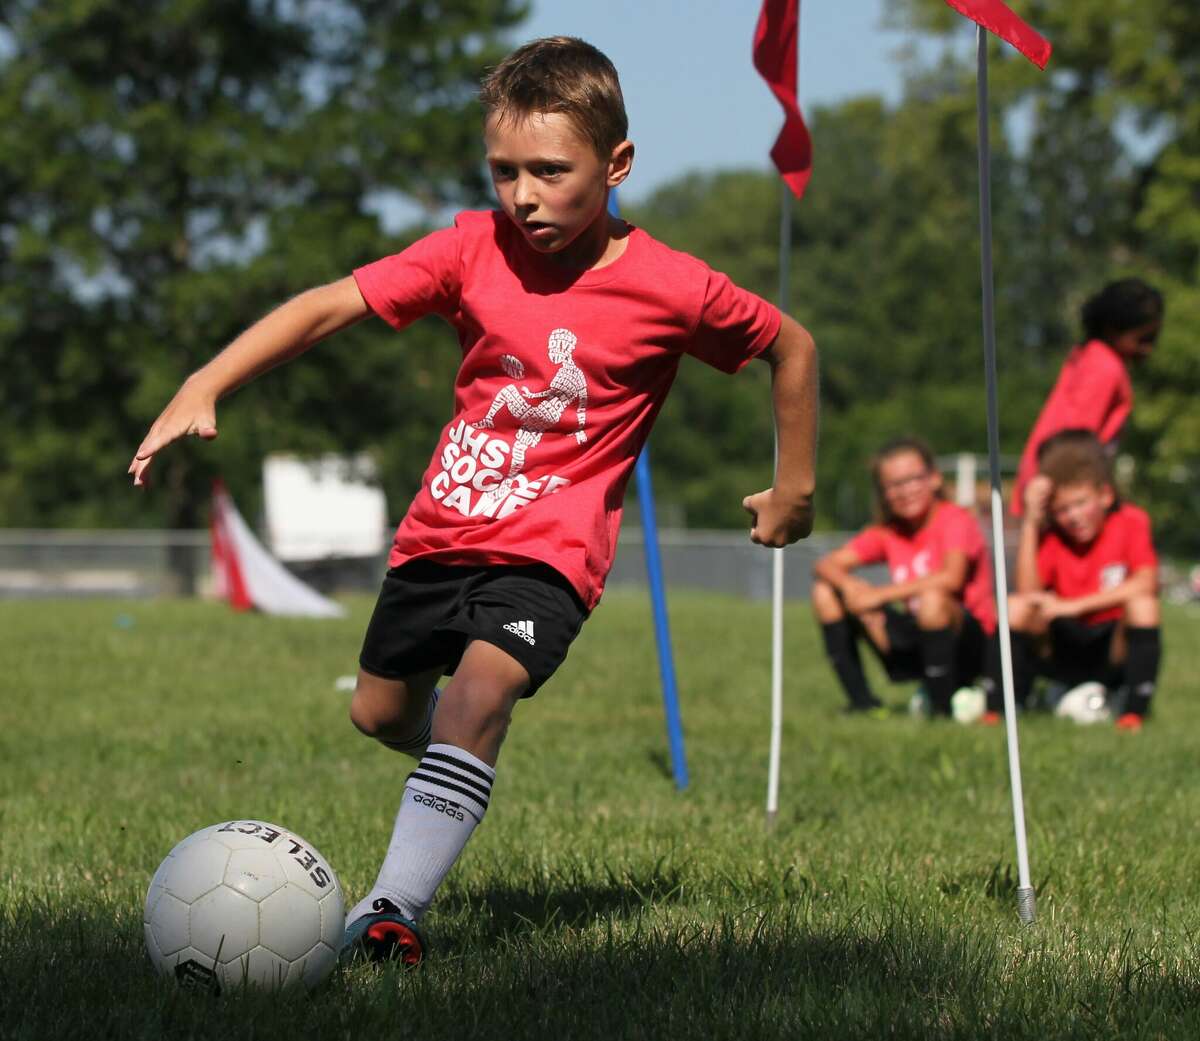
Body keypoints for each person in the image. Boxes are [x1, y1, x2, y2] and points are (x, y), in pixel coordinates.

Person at [128, 37, 818, 964]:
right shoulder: (468, 246)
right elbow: (331, 304)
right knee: (378, 714)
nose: (523, 194)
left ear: (616, 166)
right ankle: (454, 766)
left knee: (478, 693)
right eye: (504, 170)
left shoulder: (672, 286)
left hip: (551, 553)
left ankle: (390, 910)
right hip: (438, 536)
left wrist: (796, 485)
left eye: (549, 171)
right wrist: (207, 380)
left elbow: (792, 347)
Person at [985, 430, 1161, 731]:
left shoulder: (1132, 521)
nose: (1073, 516)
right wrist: (1031, 521)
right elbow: (1028, 594)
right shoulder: (1051, 536)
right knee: (1013, 607)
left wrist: (1072, 606)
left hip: (1109, 645)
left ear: (1105, 495)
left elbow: (1146, 583)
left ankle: (1133, 714)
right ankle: (1001, 708)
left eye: (1080, 503)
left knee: (1144, 606)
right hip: (1061, 646)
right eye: (1062, 509)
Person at [811, 437, 995, 718]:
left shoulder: (955, 520)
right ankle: (863, 704)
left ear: (934, 479)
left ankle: (941, 712)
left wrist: (878, 595)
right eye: (893, 485)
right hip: (918, 635)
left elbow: (951, 579)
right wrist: (851, 587)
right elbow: (826, 564)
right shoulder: (889, 531)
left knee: (933, 600)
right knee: (826, 592)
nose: (905, 491)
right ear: (883, 492)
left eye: (912, 480)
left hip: (969, 644)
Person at [1011, 278, 1163, 516]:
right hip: (1057, 488)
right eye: (1143, 339)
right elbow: (1075, 442)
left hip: (1046, 482)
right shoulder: (1104, 368)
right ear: (1113, 329)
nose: (1148, 349)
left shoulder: (1088, 355)